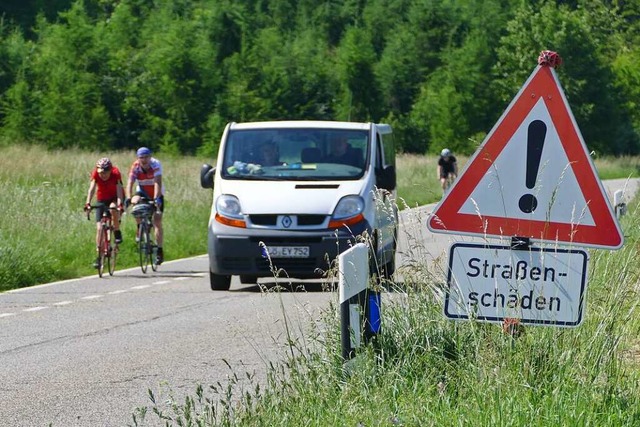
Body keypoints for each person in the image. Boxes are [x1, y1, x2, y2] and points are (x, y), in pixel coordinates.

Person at [125, 147, 165, 265]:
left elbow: (157, 181)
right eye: (141, 158)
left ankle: (159, 250)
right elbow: (130, 183)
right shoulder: (136, 166)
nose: (144, 160)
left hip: (156, 192)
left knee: (157, 221)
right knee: (135, 203)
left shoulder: (155, 164)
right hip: (142, 191)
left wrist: (156, 199)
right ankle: (140, 227)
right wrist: (128, 197)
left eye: (146, 157)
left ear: (150, 157)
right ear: (138, 158)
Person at [84, 157, 124, 268]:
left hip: (114, 198)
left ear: (110, 170)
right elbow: (91, 189)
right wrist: (88, 203)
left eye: (106, 172)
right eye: (101, 173)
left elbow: (120, 190)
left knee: (112, 208)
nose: (103, 175)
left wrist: (120, 205)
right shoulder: (96, 174)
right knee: (99, 228)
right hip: (101, 199)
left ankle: (116, 231)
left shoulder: (115, 174)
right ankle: (99, 256)